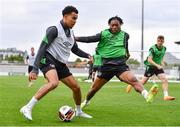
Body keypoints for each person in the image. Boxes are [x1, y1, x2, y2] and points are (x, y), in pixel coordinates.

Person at [20, 6, 92, 121]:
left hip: (60, 63)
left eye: (76, 19)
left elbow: (75, 50)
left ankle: (78, 111)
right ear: (65, 16)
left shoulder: (71, 34)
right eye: (73, 18)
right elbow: (42, 47)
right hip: (47, 58)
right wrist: (35, 69)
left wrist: (88, 56)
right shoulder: (54, 29)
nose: (75, 21)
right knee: (54, 83)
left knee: (76, 88)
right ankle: (27, 107)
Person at [75, 16, 158, 109]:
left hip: (120, 65)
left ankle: (147, 95)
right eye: (112, 25)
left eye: (116, 25)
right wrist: (75, 38)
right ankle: (86, 101)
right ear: (109, 25)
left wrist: (127, 53)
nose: (114, 27)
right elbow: (89, 39)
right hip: (106, 66)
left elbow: (125, 46)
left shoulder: (125, 35)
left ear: (120, 25)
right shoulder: (103, 34)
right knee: (94, 89)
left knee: (133, 80)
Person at [126, 35, 175, 101]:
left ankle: (166, 96)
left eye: (161, 41)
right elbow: (149, 60)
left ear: (163, 41)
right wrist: (157, 65)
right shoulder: (152, 49)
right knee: (143, 82)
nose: (160, 42)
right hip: (150, 67)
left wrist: (162, 62)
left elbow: (161, 56)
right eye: (158, 41)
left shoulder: (164, 48)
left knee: (165, 80)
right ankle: (131, 85)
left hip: (158, 67)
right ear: (157, 41)